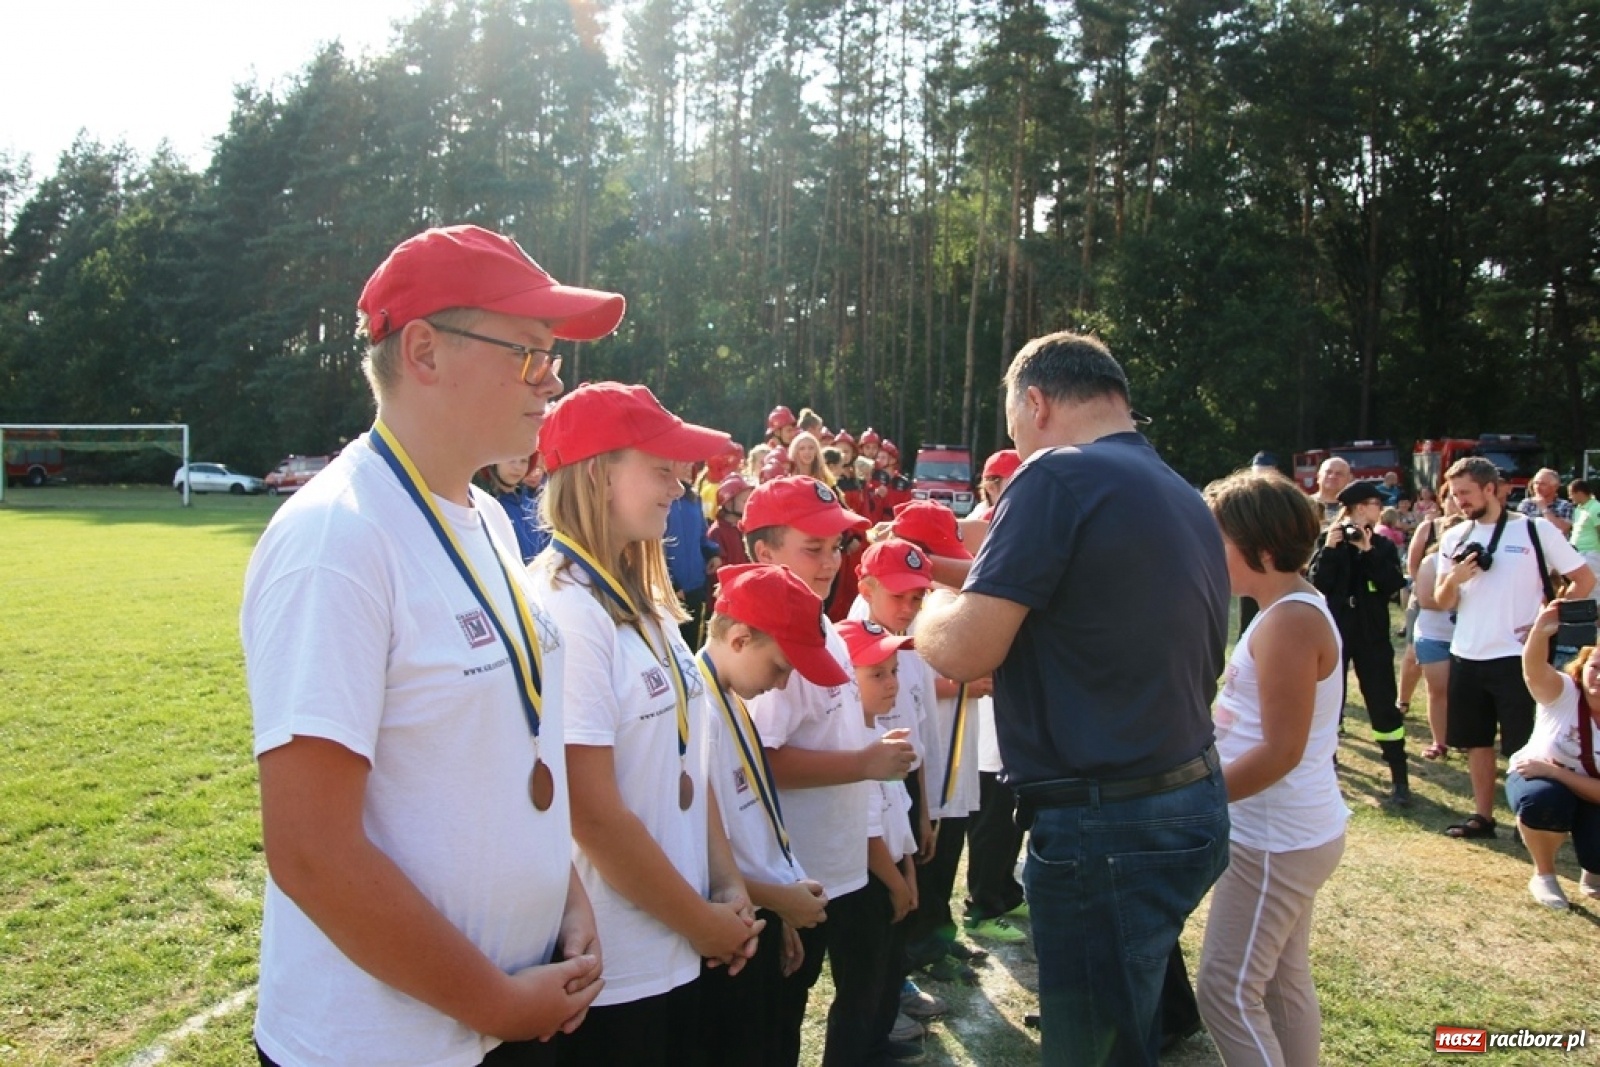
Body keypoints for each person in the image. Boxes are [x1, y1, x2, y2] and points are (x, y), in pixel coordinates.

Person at [241, 224, 620, 1067]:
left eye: (554, 356)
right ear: (423, 352)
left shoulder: (485, 516)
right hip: (385, 1043)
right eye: (530, 352)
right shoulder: (336, 541)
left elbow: (494, 748)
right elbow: (311, 850)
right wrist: (495, 1002)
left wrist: (561, 892)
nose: (553, 380)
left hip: (504, 1014)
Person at [917, 331, 1230, 1066]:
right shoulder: (1175, 489)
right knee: (1127, 1020)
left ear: (1036, 401)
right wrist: (953, 568)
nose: (1017, 445)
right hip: (1183, 794)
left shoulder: (1055, 474)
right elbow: (1078, 599)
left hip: (1107, 818)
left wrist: (926, 600)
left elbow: (965, 649)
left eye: (1014, 427)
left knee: (1094, 1049)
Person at [533, 381, 761, 1067]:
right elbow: (593, 816)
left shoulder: (651, 602)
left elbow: (691, 761)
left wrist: (727, 883)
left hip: (679, 943)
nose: (681, 485)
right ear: (599, 470)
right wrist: (705, 924)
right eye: (661, 468)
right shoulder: (567, 606)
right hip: (615, 966)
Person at [741, 475, 919, 1067]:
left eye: (836, 547)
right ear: (764, 554)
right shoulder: (770, 640)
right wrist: (863, 762)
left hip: (830, 869)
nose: (829, 562)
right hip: (790, 875)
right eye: (811, 548)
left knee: (799, 1011)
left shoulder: (822, 624)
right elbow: (760, 762)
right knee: (772, 1023)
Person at [1195, 469, 1349, 1066]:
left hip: (1273, 838)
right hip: (1287, 832)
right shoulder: (1282, 608)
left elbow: (1282, 751)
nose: (1208, 553)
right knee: (1283, 983)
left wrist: (1199, 797)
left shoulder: (1290, 621)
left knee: (1227, 994)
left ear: (1260, 549)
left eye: (1218, 540)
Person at [696, 563, 840, 1066]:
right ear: (738, 639)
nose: (781, 684)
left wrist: (783, 911)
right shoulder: (699, 713)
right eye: (780, 667)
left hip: (761, 919)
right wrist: (778, 900)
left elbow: (755, 825)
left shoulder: (732, 701)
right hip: (729, 937)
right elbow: (693, 850)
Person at [1434, 457, 1594, 840]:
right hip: (1467, 653)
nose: (1459, 502)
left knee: (1526, 743)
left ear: (1491, 489)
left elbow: (1583, 580)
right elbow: (1441, 600)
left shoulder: (1535, 531)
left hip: (1518, 658)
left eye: (1466, 493)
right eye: (1455, 495)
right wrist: (1455, 578)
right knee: (1476, 742)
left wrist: (1546, 620)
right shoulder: (1455, 536)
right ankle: (1483, 817)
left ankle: (1535, 821)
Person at [837, 617, 925, 1064]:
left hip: (895, 871)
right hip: (870, 882)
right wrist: (894, 882)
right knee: (862, 984)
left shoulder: (880, 737)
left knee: (888, 972)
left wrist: (908, 868)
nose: (891, 683)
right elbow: (866, 830)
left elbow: (898, 815)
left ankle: (877, 1045)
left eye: (893, 671)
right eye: (876, 674)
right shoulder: (852, 751)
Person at [1308, 480, 1410, 804]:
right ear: (1358, 508)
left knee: (1382, 702)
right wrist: (1331, 551)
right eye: (1375, 503)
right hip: (1337, 631)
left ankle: (1399, 778)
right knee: (1329, 702)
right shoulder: (1331, 542)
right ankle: (1327, 769)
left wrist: (1368, 552)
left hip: (1372, 634)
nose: (1380, 509)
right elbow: (1318, 583)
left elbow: (1393, 585)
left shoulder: (1381, 545)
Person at [1511, 601, 1600, 909]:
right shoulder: (1564, 692)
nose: (1598, 677)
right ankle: (1544, 875)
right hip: (1537, 778)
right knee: (1544, 801)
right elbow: (1533, 670)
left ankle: (1593, 871)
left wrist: (1556, 772)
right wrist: (1541, 630)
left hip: (1569, 781)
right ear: (1583, 666)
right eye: (1595, 667)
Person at [473, 454, 548, 563]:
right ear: (494, 462)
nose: (518, 467)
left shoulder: (533, 503)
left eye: (523, 461)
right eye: (511, 460)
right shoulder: (486, 508)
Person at [1518, 467, 1574, 537]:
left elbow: (1562, 530)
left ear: (1555, 487)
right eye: (1536, 483)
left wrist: (1544, 508)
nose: (1537, 487)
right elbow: (1518, 528)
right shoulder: (1526, 504)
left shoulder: (1565, 505)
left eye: (1543, 484)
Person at [1567, 479, 1600, 595]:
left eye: (1571, 493)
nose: (1570, 497)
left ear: (1580, 492)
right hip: (1578, 552)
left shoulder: (1596, 508)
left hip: (1592, 553)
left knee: (1593, 589)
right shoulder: (1579, 509)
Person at [1312, 457, 1352, 526]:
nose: (1333, 476)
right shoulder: (1305, 505)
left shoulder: (1355, 508)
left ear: (1348, 480)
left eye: (1339, 474)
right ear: (1318, 477)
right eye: (1328, 472)